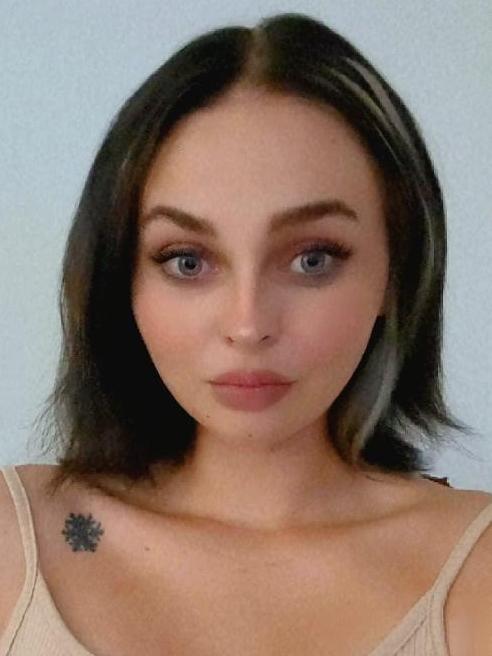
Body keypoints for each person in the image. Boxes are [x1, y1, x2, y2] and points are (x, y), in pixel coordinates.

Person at [1, 11, 491, 656]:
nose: (248, 325)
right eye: (187, 261)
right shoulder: (16, 538)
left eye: (312, 258)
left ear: (396, 277)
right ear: (121, 280)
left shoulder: (477, 567)